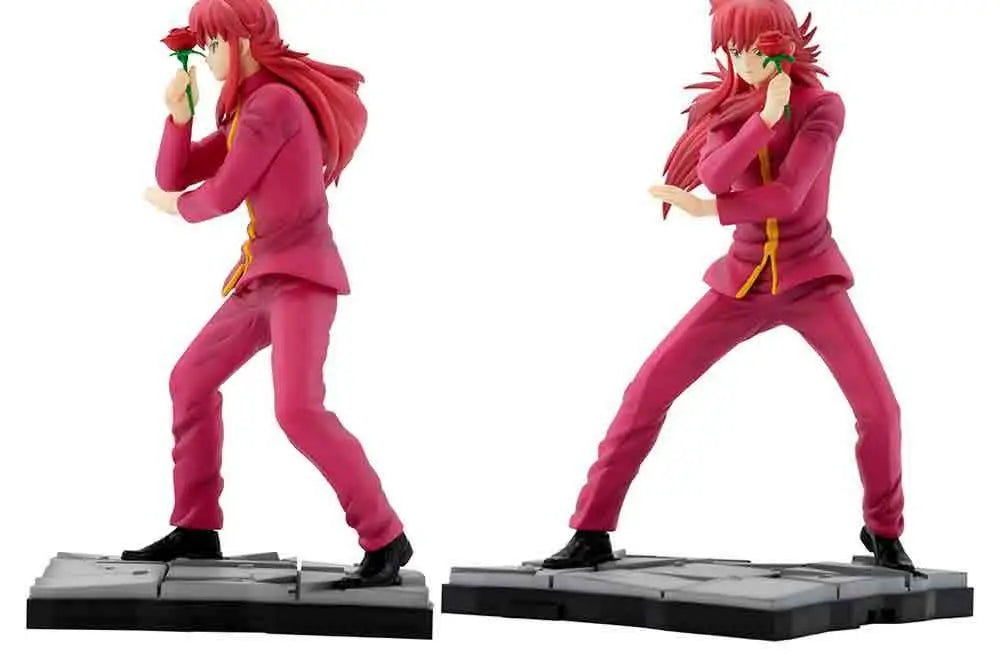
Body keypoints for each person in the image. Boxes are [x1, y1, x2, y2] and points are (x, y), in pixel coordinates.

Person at [543, 0, 915, 574]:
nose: (741, 61)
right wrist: (762, 118)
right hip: (740, 281)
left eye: (751, 48)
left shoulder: (822, 107)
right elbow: (715, 175)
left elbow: (788, 195)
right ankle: (591, 528)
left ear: (781, 48)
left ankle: (884, 532)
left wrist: (709, 207)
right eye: (731, 49)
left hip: (812, 279)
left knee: (880, 409)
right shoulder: (725, 109)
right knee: (648, 389)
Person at [124, 0, 411, 589]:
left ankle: (385, 537)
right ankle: (196, 527)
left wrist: (175, 208)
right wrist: (178, 117)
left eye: (212, 44)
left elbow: (220, 195)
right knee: (190, 381)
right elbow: (176, 173)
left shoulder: (275, 104)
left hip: (301, 280)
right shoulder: (249, 109)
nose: (207, 56)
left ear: (242, 42)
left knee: (298, 410)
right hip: (260, 280)